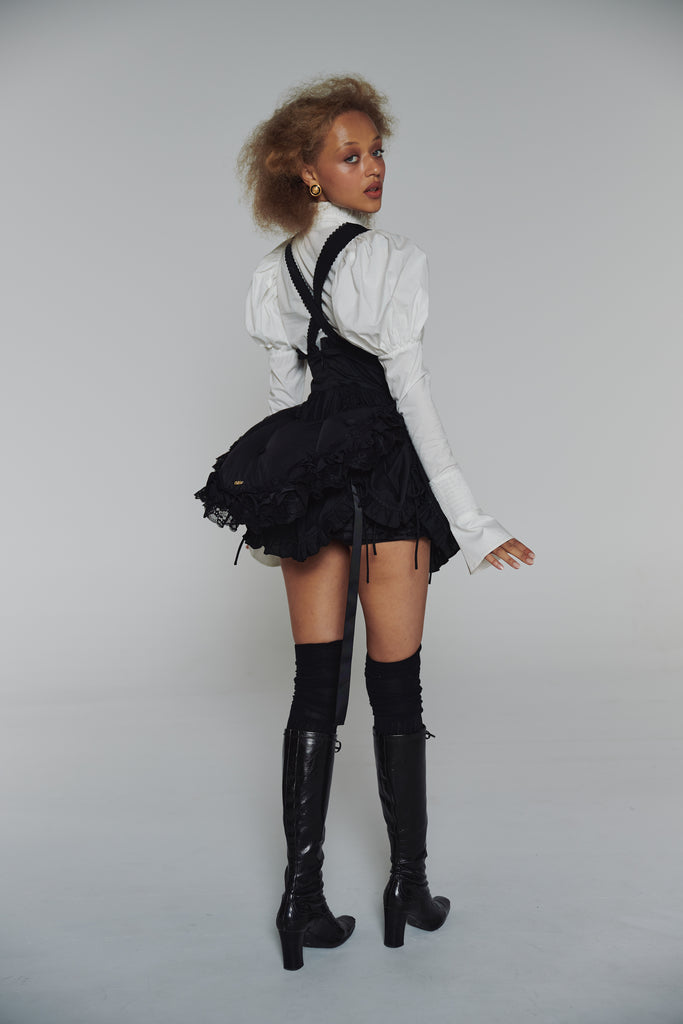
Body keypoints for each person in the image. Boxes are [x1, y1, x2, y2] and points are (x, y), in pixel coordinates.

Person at [195, 75, 534, 971]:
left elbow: (288, 404)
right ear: (306, 173)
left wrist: (281, 509)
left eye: (377, 151)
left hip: (312, 480)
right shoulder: (390, 261)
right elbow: (409, 393)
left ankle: (299, 903)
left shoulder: (272, 275)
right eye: (351, 156)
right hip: (385, 480)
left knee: (314, 690)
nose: (373, 167)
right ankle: (406, 889)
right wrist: (471, 519)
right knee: (395, 688)